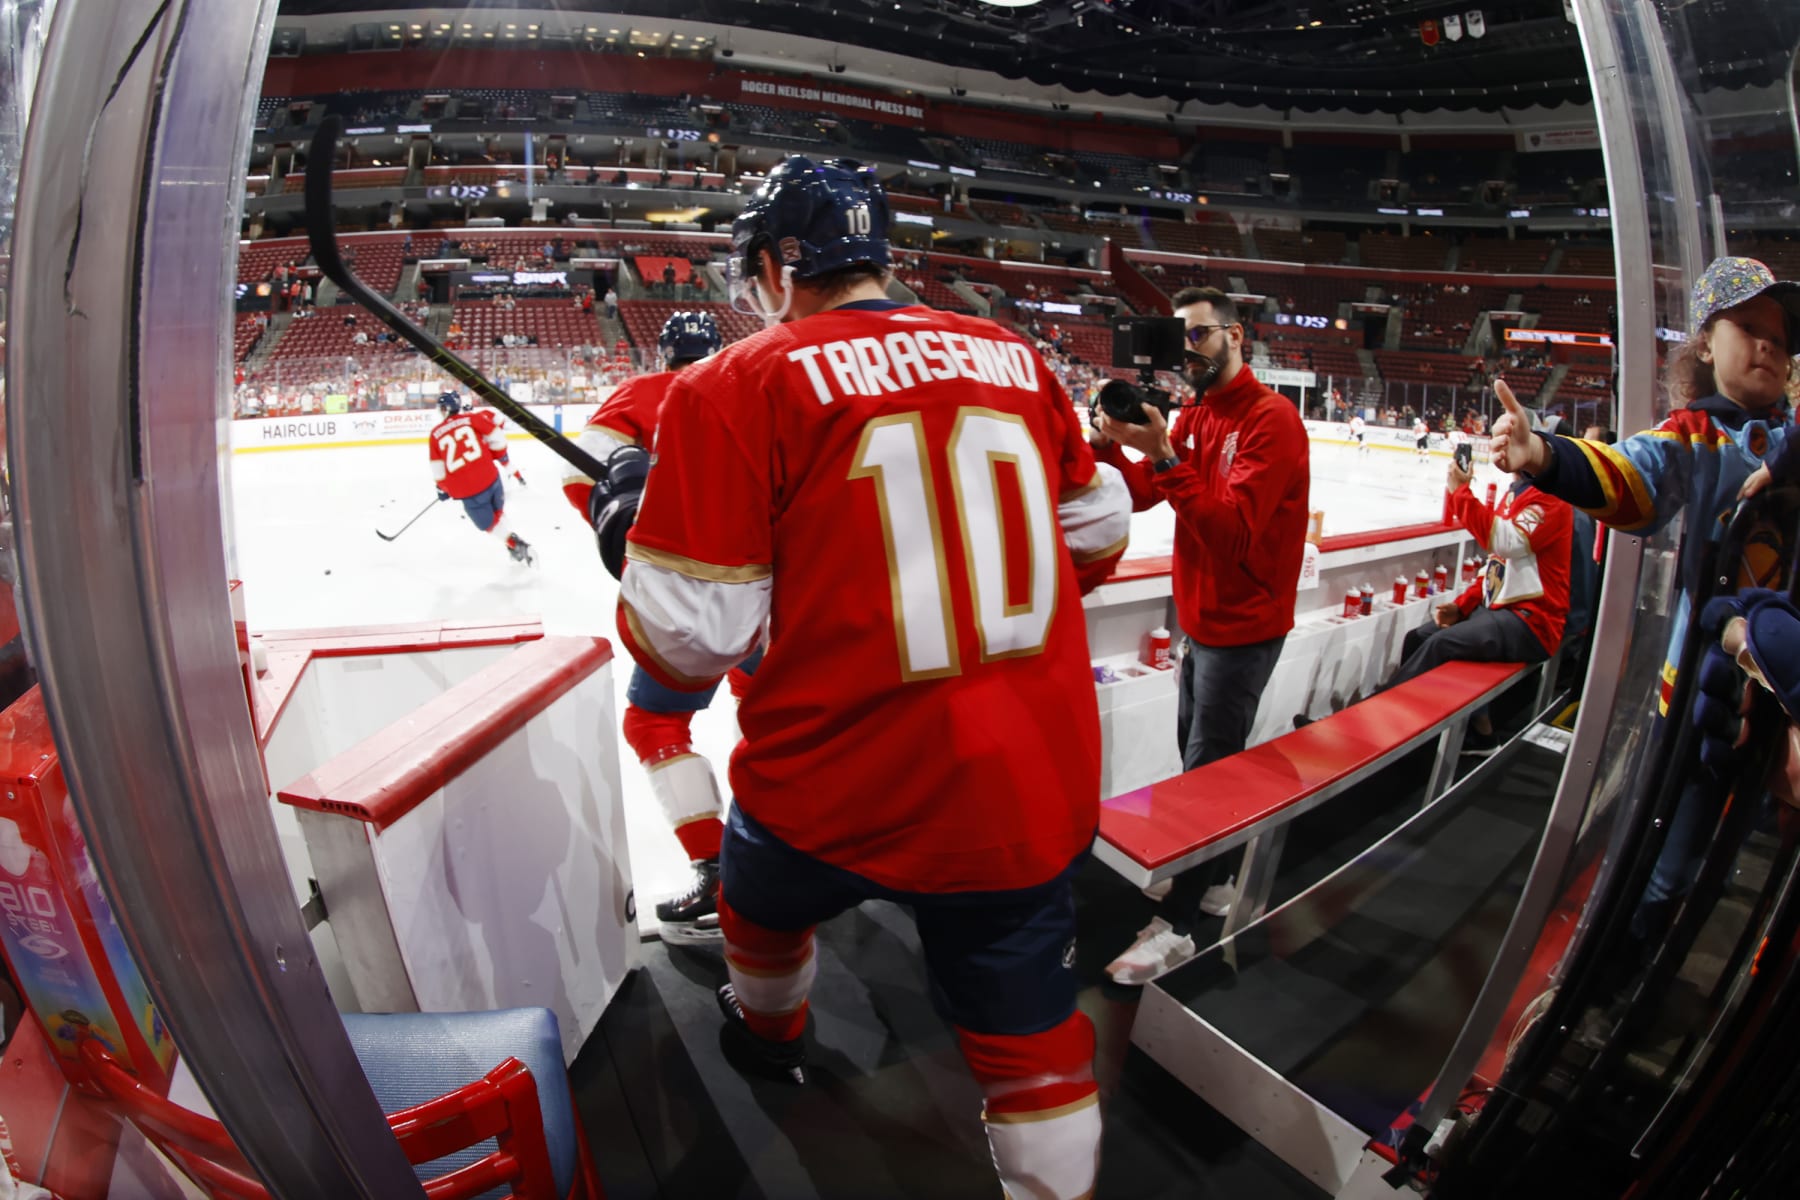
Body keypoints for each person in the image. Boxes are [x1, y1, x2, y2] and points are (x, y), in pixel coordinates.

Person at [614, 155, 1130, 1200]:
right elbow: (1096, 528)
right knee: (1031, 1036)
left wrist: (628, 520)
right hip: (1022, 779)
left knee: (759, 908)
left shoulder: (735, 381)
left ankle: (773, 1038)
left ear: (775, 262)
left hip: (828, 781)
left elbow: (689, 642)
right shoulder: (1014, 358)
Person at [1491, 255, 1800, 955]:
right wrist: (1543, 455)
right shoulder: (1698, 435)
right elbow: (1631, 479)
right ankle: (1621, 966)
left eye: (1780, 338)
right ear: (1705, 342)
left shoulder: (1794, 437)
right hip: (1702, 695)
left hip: (1783, 694)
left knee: (1732, 854)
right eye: (1749, 328)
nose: (1768, 348)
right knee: (1669, 858)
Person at [1089, 286, 1311, 984]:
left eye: (1200, 336)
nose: (1190, 352)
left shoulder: (1273, 421)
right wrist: (1117, 443)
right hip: (1202, 619)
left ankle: (1177, 925)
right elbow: (1154, 491)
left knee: (1209, 772)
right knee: (1204, 760)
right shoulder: (1198, 415)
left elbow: (1233, 531)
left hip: (1244, 625)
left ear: (1235, 334)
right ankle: (1209, 877)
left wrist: (1160, 455)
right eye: (1182, 340)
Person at [560, 311, 748, 944]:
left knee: (654, 722)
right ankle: (793, 848)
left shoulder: (643, 394)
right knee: (770, 714)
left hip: (692, 596)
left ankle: (715, 863)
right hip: (777, 586)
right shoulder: (753, 382)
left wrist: (621, 516)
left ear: (665, 350)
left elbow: (577, 473)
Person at [1387, 457, 1573, 746]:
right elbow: (1496, 563)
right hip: (1500, 613)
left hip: (1531, 622)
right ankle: (1421, 732)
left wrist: (1461, 492)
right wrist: (1462, 605)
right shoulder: (1518, 493)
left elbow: (1505, 542)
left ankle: (1380, 725)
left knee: (1441, 644)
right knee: (1419, 637)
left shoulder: (1551, 499)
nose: (1502, 449)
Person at [428, 393, 533, 565]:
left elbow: (438, 471)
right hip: (492, 478)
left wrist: (444, 489)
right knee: (498, 513)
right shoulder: (473, 418)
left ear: (445, 409)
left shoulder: (435, 435)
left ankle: (516, 544)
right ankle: (511, 547)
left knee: (488, 524)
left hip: (470, 490)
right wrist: (493, 455)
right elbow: (498, 438)